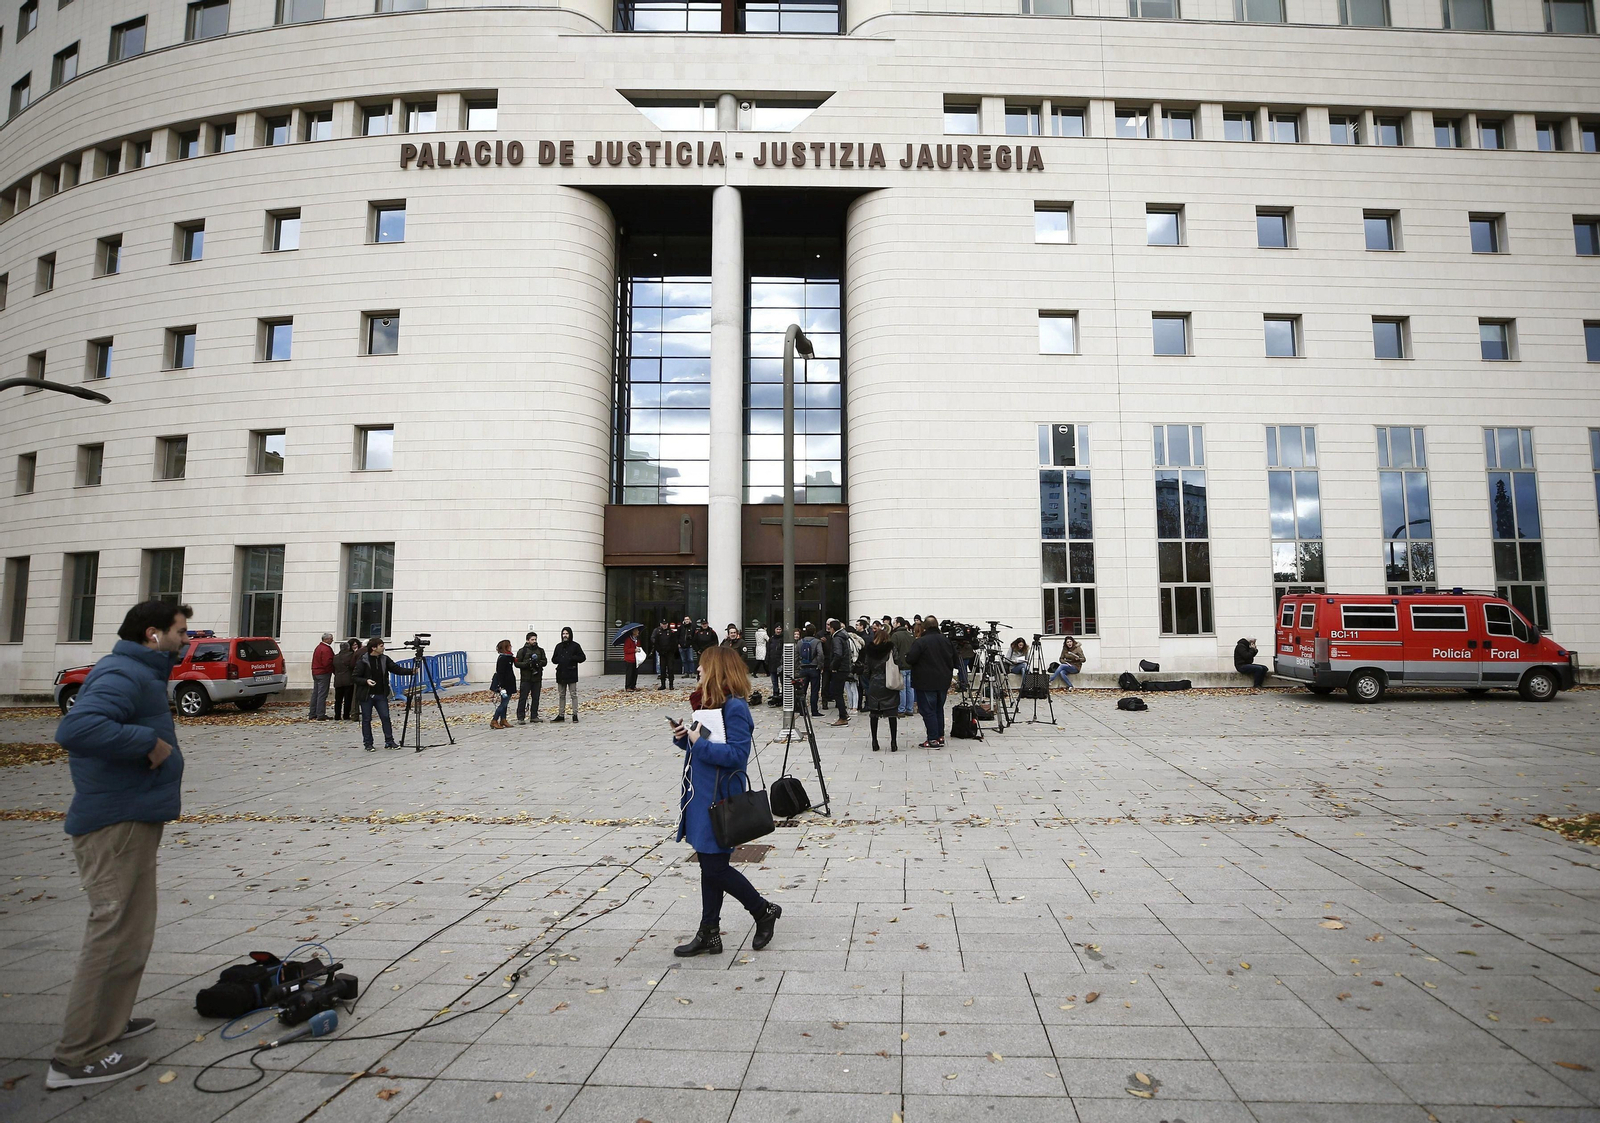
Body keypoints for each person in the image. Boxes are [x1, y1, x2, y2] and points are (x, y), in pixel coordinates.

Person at [45, 600, 191, 1091]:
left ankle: (108, 1023)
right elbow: (76, 728)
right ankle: (77, 1055)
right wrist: (146, 743)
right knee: (112, 933)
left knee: (132, 931)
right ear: (153, 634)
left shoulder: (138, 672)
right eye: (180, 632)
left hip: (133, 817)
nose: (185, 641)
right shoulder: (122, 672)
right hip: (115, 823)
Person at [671, 645, 782, 958]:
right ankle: (709, 932)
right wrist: (684, 736)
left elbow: (736, 756)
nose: (698, 671)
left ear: (717, 670)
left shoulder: (735, 708)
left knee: (715, 868)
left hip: (719, 800)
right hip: (701, 797)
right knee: (710, 866)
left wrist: (697, 742)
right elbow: (703, 745)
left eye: (703, 667)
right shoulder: (708, 705)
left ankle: (763, 911)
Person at [906, 613, 957, 748]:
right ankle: (940, 736)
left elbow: (910, 659)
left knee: (928, 710)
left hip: (925, 681)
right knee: (938, 709)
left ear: (924, 627)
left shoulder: (921, 642)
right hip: (943, 680)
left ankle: (933, 738)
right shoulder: (946, 641)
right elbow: (956, 660)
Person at [355, 638, 414, 751]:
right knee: (366, 719)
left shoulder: (384, 659)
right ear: (374, 648)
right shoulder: (363, 660)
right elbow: (355, 677)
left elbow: (395, 669)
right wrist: (366, 681)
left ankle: (389, 741)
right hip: (367, 695)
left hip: (381, 694)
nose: (383, 648)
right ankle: (368, 743)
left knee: (385, 717)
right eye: (381, 646)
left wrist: (411, 671)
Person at [862, 623, 901, 752]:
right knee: (892, 714)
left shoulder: (870, 650)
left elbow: (866, 669)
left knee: (874, 713)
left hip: (875, 683)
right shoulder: (891, 649)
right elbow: (897, 662)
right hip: (888, 682)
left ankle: (874, 741)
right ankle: (893, 742)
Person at [551, 627, 586, 722]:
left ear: (570, 634)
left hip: (571, 673)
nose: (565, 635)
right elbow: (553, 659)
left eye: (566, 633)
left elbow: (582, 657)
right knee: (561, 695)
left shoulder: (575, 646)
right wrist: (561, 659)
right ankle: (561, 714)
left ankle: (575, 714)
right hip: (561, 673)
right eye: (563, 634)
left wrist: (572, 658)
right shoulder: (558, 646)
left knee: (573, 694)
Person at [515, 631, 547, 724]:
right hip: (526, 678)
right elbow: (517, 663)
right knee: (523, 698)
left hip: (537, 678)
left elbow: (544, 661)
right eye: (532, 639)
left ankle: (534, 716)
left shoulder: (540, 650)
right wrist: (527, 664)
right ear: (527, 640)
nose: (534, 641)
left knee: (536, 697)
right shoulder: (522, 651)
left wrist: (538, 663)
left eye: (535, 639)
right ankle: (520, 717)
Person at [824, 619, 851, 727]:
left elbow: (838, 654)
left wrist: (833, 666)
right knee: (838, 692)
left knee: (837, 692)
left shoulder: (837, 638)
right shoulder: (844, 637)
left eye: (829, 628)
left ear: (832, 628)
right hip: (844, 667)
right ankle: (844, 714)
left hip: (839, 668)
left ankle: (843, 717)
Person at [890, 617, 916, 717]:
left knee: (902, 688)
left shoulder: (895, 635)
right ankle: (909, 709)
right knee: (910, 688)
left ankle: (901, 709)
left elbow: (893, 650)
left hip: (900, 665)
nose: (893, 624)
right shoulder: (911, 635)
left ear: (898, 623)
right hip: (910, 664)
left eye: (894, 622)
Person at [796, 623, 822, 717]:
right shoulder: (817, 642)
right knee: (814, 690)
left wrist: (798, 666)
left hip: (803, 668)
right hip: (814, 668)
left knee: (802, 691)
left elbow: (796, 655)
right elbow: (820, 654)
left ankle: (802, 710)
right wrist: (820, 666)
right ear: (814, 632)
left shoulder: (800, 642)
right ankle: (814, 711)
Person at [488, 640, 515, 729]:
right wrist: (501, 686)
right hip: (505, 684)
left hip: (509, 682)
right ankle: (494, 720)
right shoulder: (503, 658)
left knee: (505, 703)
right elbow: (501, 673)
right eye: (509, 645)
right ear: (506, 647)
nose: (511, 646)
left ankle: (503, 719)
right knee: (504, 703)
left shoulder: (509, 657)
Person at [309, 632, 334, 720]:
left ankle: (312, 713)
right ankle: (320, 714)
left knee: (315, 693)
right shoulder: (326, 649)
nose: (332, 640)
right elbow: (327, 662)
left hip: (316, 672)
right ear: (326, 639)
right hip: (323, 673)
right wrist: (332, 670)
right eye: (331, 639)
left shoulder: (318, 647)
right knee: (322, 694)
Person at [332, 639, 358, 721]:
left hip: (338, 680)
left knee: (338, 699)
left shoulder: (335, 657)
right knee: (348, 699)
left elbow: (333, 668)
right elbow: (353, 666)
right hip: (348, 679)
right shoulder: (351, 655)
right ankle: (346, 715)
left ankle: (337, 715)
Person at [652, 620, 678, 691]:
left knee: (670, 669)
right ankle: (663, 684)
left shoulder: (671, 632)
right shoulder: (658, 632)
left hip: (670, 654)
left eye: (665, 624)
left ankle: (671, 684)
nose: (664, 625)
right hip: (662, 653)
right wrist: (660, 651)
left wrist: (671, 651)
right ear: (660, 624)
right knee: (662, 669)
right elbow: (656, 643)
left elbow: (674, 643)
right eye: (663, 624)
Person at [766, 624, 784, 703]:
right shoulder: (771, 639)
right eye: (777, 629)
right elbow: (768, 650)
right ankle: (775, 693)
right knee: (774, 681)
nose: (778, 631)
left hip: (780, 663)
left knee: (782, 680)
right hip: (772, 662)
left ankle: (784, 695)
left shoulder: (783, 639)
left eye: (780, 629)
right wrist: (767, 659)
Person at [622, 626, 642, 692]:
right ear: (633, 632)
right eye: (637, 631)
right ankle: (628, 686)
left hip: (636, 659)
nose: (638, 632)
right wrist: (634, 650)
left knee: (635, 673)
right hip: (629, 659)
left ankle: (633, 685)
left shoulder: (637, 640)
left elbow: (638, 646)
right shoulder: (628, 640)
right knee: (629, 673)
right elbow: (626, 650)